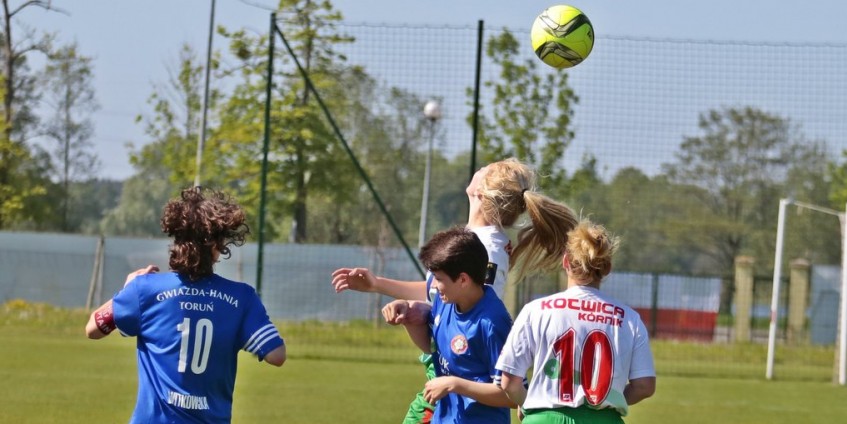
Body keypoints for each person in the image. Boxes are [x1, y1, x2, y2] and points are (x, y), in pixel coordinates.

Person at [331, 158, 578, 424]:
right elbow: (437, 294)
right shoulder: (475, 239)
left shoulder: (486, 249)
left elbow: (472, 317)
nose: (480, 167)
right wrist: (377, 285)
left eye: (486, 169)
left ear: (481, 192)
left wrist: (454, 380)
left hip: (463, 393)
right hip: (448, 378)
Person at [85, 187, 286, 424]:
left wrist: (128, 288)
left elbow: (94, 329)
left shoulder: (144, 289)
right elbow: (276, 355)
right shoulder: (241, 297)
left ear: (178, 238)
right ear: (216, 245)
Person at [496, 219, 656, 424]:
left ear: (565, 262)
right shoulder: (629, 319)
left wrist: (528, 405)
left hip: (545, 418)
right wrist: (607, 402)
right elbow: (644, 386)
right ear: (607, 268)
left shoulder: (535, 310)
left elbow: (509, 382)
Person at [383, 227, 516, 424]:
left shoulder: (493, 323)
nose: (434, 286)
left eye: (438, 279)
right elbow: (434, 347)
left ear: (463, 280)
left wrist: (455, 384)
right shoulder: (446, 301)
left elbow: (511, 395)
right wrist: (408, 318)